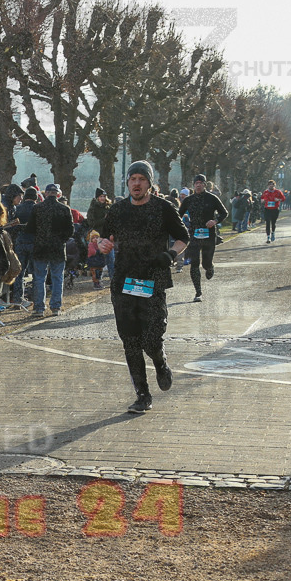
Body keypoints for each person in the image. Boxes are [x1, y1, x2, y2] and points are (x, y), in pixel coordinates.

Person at [98, 161, 189, 413]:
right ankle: (142, 395)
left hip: (152, 280)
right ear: (127, 183)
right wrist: (103, 244)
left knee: (150, 339)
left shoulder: (163, 208)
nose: (136, 183)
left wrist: (170, 254)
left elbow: (184, 237)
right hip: (124, 282)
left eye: (141, 179)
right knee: (130, 341)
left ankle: (160, 363)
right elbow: (104, 238)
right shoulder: (117, 211)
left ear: (149, 183)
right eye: (132, 179)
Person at [24, 183, 72, 317]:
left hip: (41, 247)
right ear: (58, 194)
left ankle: (39, 308)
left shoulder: (37, 208)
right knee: (57, 278)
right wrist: (60, 239)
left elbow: (30, 229)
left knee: (39, 278)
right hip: (57, 248)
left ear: (46, 193)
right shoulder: (64, 209)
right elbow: (70, 230)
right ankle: (55, 307)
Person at [178, 174, 228, 303]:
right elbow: (178, 215)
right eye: (196, 183)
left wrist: (215, 221)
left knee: (205, 263)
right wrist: (182, 225)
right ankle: (198, 292)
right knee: (194, 264)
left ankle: (209, 266)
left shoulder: (212, 198)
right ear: (193, 185)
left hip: (209, 235)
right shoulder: (189, 200)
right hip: (194, 235)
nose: (198, 185)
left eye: (201, 183)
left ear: (205, 185)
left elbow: (224, 213)